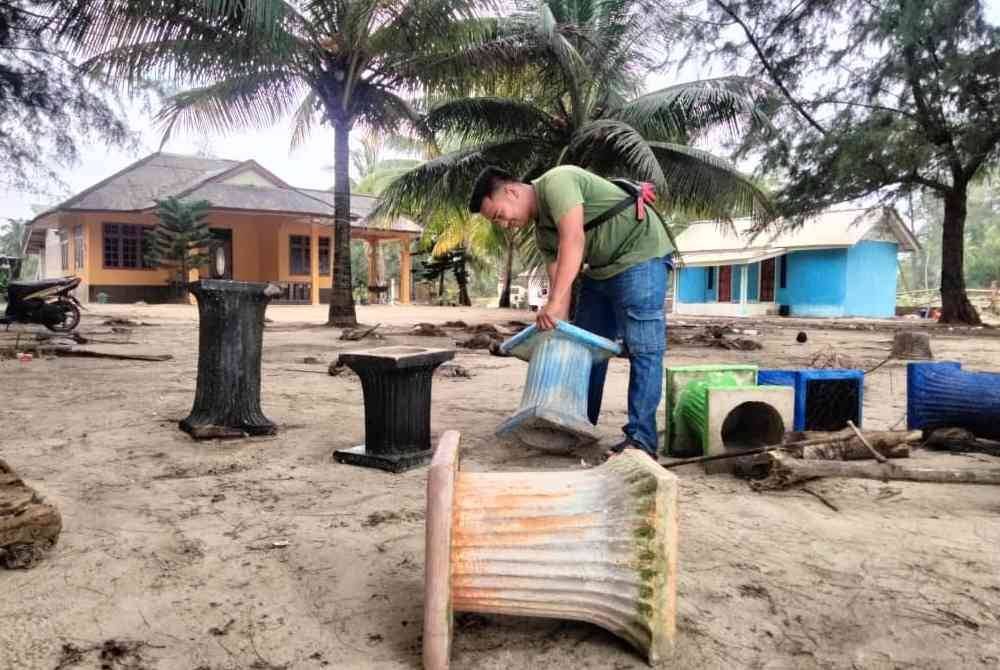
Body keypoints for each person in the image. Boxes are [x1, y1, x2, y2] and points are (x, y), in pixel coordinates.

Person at [469, 164, 674, 458]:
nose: (504, 225)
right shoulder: (543, 234)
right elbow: (560, 296)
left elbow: (574, 240)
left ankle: (641, 441)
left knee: (644, 349)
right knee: (581, 346)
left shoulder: (557, 181)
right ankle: (579, 426)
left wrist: (552, 306)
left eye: (500, 215)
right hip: (601, 270)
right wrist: (554, 324)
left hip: (640, 255)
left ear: (512, 191)